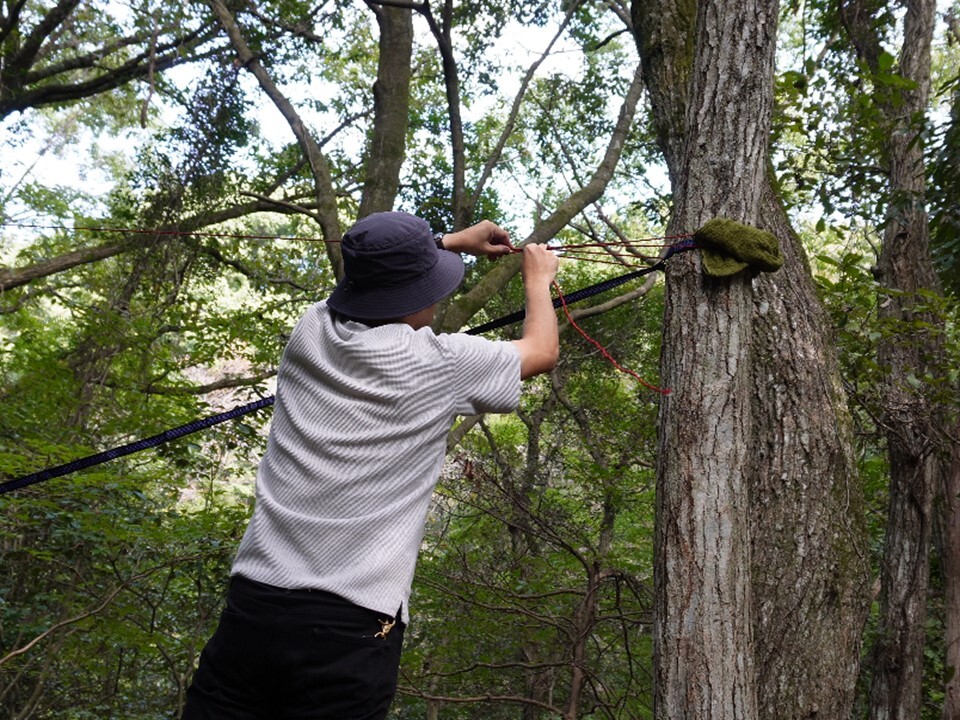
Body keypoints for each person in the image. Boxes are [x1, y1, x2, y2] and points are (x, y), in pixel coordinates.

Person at [182, 211, 559, 720]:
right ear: (417, 293)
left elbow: (368, 277)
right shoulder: (442, 363)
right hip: (352, 624)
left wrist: (446, 243)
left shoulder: (311, 330)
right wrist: (538, 280)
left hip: (253, 607)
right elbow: (540, 351)